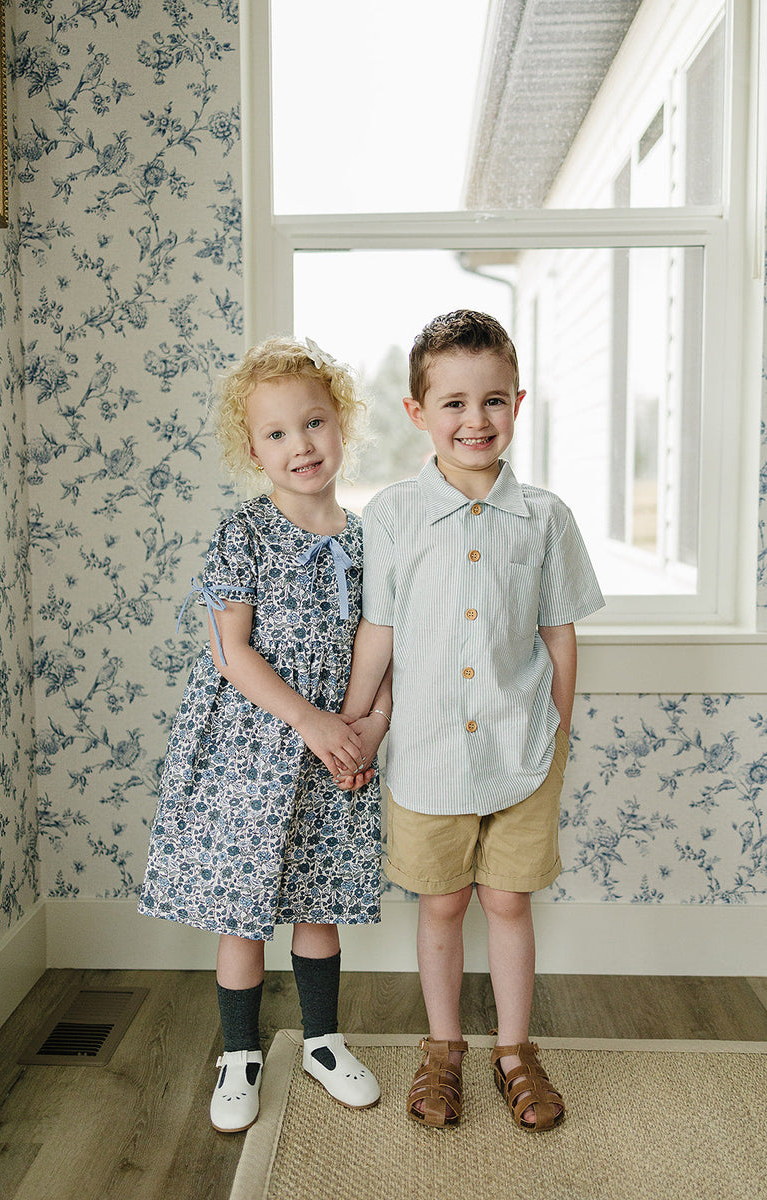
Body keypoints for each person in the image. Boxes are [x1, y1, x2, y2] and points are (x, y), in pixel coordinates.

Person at [340, 310, 604, 1131]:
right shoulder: (391, 516)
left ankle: (516, 1053)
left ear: (517, 404)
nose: (474, 421)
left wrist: (556, 729)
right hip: (425, 757)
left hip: (522, 747)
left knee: (508, 904)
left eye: (492, 401)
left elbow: (558, 633)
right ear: (419, 412)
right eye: (453, 403)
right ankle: (443, 1049)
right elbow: (378, 629)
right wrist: (352, 724)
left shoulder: (546, 518)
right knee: (443, 907)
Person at [139, 336, 391, 1133]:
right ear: (252, 449)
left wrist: (366, 728)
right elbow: (230, 648)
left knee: (318, 906)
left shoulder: (365, 538)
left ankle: (321, 1040)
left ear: (341, 425)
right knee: (244, 913)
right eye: (277, 434)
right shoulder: (243, 532)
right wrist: (309, 719)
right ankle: (240, 1054)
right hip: (250, 751)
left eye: (314, 423)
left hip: (335, 751)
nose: (300, 445)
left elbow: (382, 646)